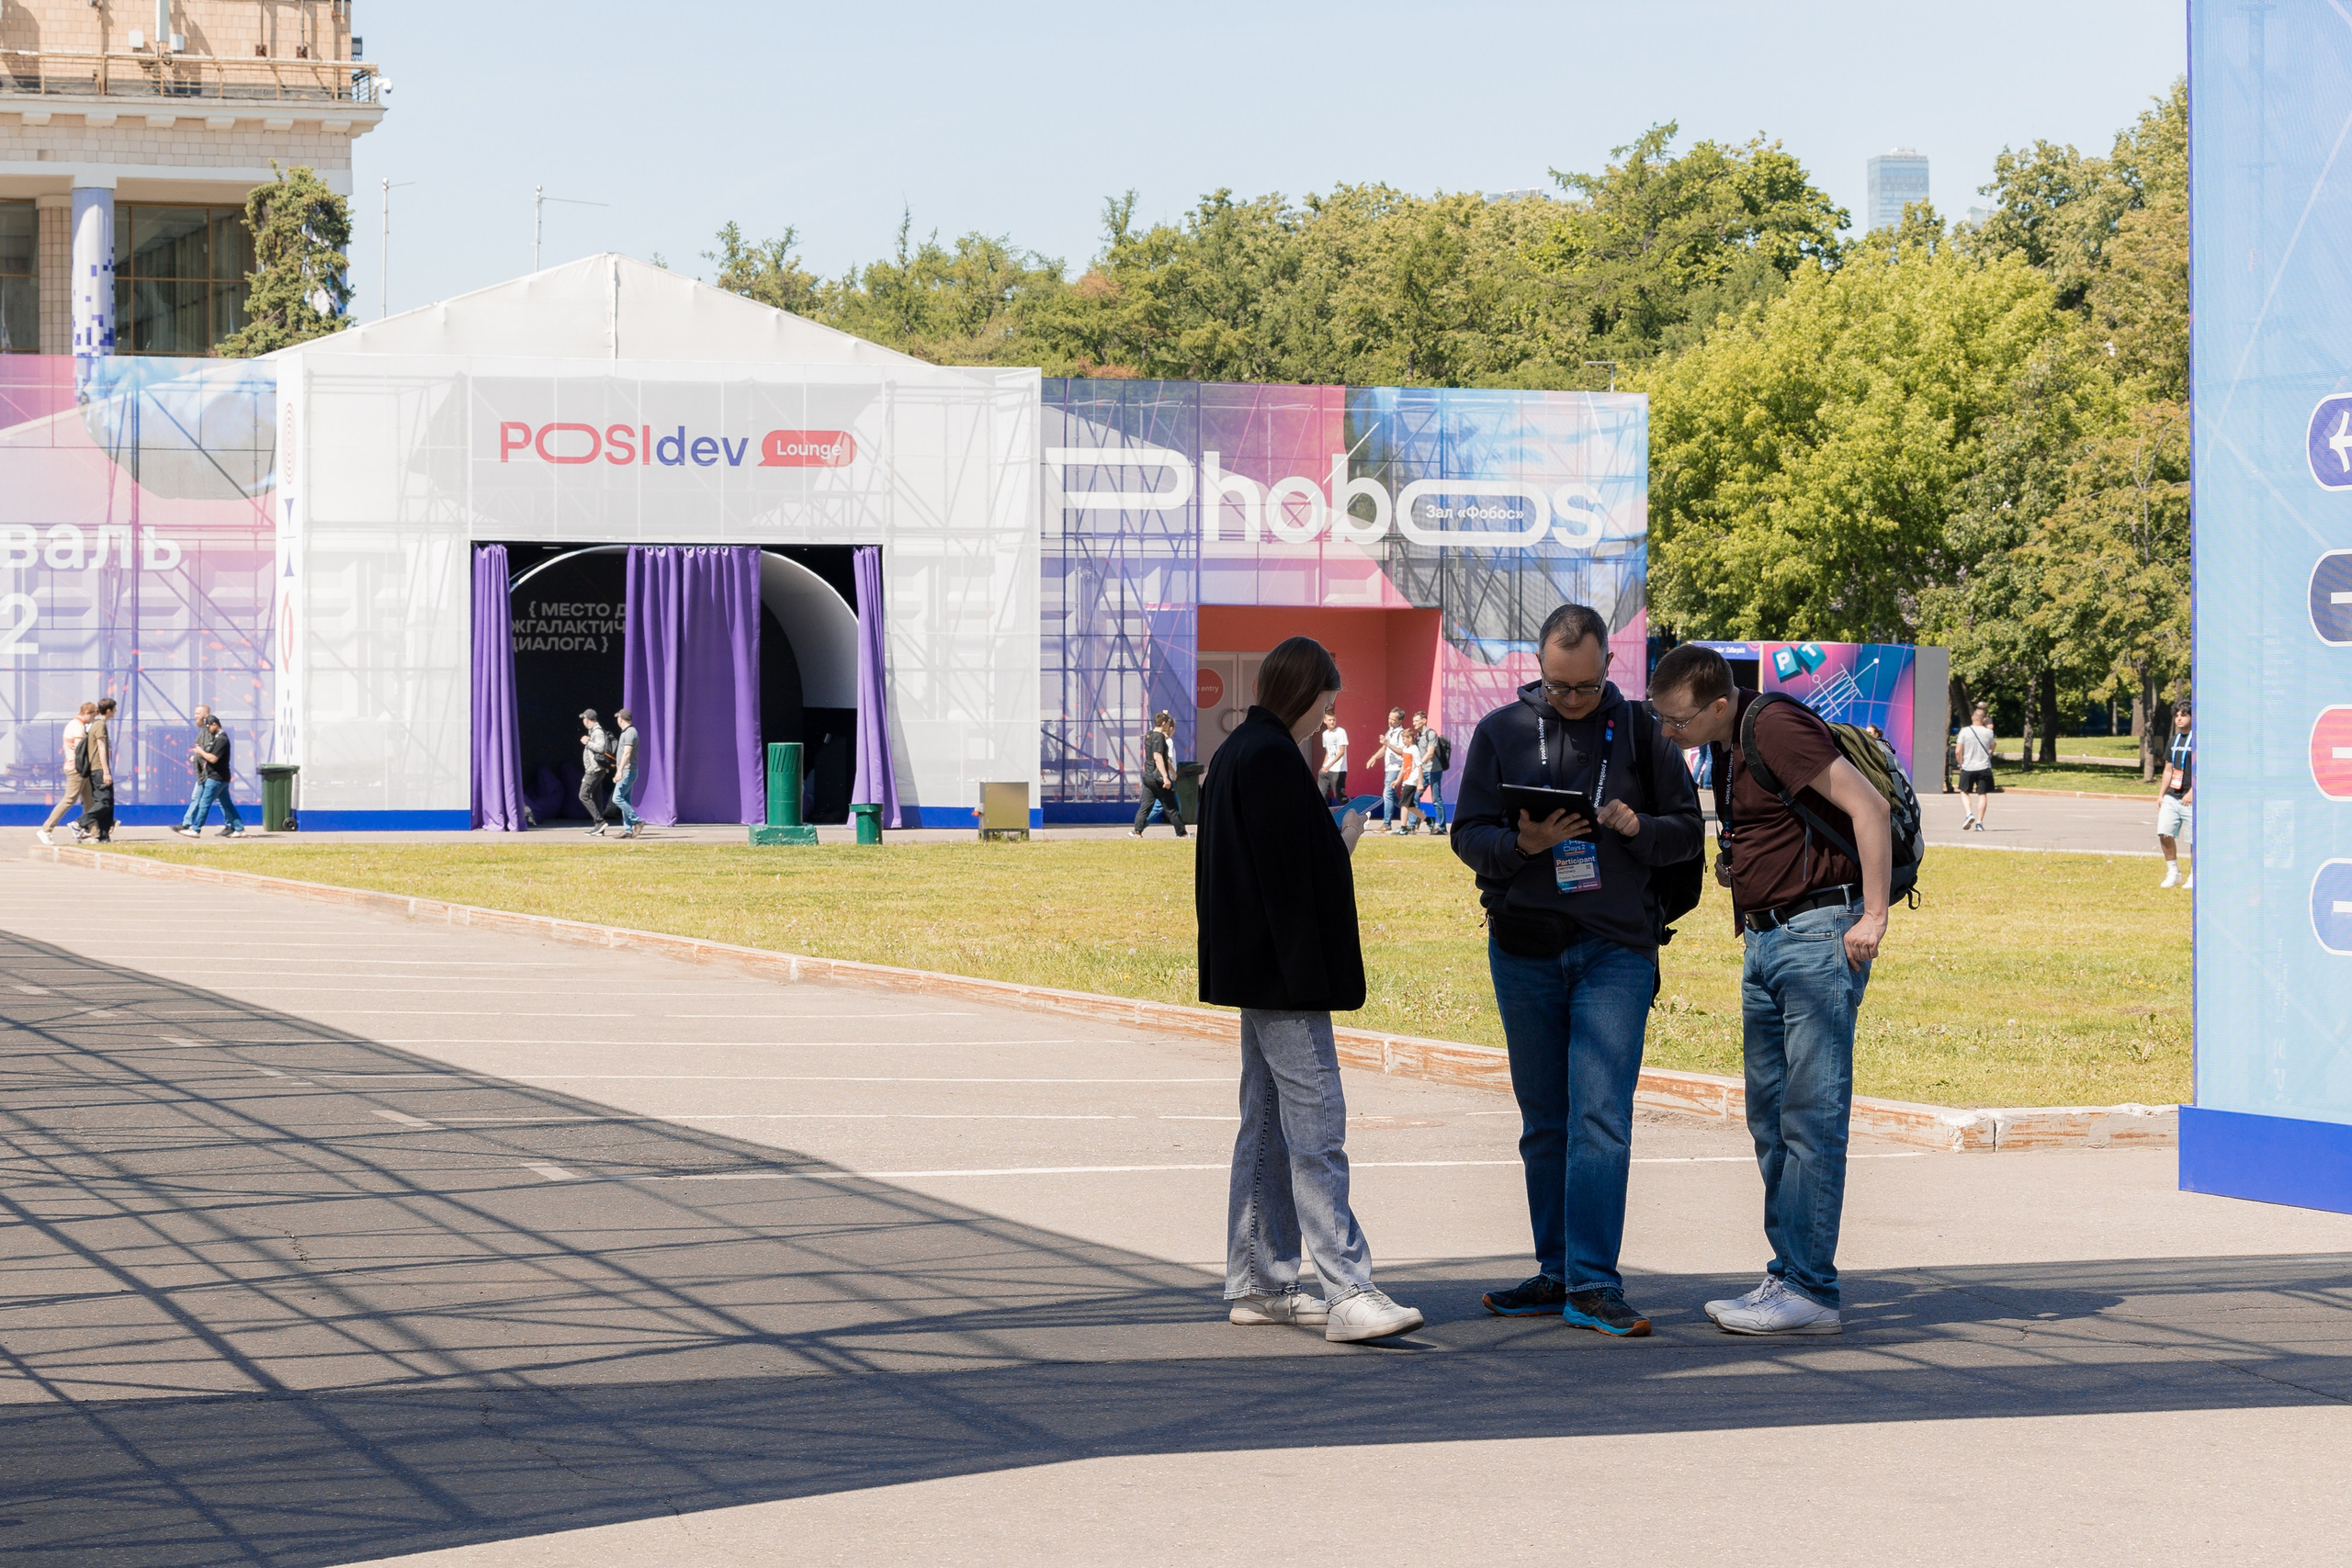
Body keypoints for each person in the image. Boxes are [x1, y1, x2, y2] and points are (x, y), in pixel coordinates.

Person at [1451, 604, 1703, 1337]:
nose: (1571, 699)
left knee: (1600, 1115)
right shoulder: (1501, 731)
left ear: (1607, 668)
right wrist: (1522, 845)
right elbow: (1468, 835)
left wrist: (1638, 827)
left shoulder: (1645, 731)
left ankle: (1593, 1281)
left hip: (1615, 949)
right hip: (1525, 947)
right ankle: (1556, 1268)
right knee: (1545, 1120)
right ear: (1539, 668)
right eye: (1558, 687)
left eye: (1586, 687)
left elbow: (1689, 833)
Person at [1647, 642, 1893, 1337]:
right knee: (1770, 1118)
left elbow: (1868, 808)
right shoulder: (1728, 743)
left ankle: (1811, 1289)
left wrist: (1873, 915)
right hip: (1767, 939)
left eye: (1677, 719)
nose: (1671, 732)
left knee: (1811, 1116)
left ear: (1717, 703)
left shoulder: (1772, 725)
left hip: (1819, 937)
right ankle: (1788, 1272)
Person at [1197, 636, 1423, 1345]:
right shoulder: (1271, 758)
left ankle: (1260, 1280)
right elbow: (1292, 877)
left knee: (1265, 1123)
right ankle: (1347, 1284)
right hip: (1285, 973)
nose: (1332, 708)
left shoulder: (1239, 749)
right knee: (1316, 1123)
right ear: (1307, 689)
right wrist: (1344, 841)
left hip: (1255, 968)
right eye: (1329, 693)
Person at [173, 708, 247, 838]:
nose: (208, 730)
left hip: (216, 778)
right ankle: (239, 829)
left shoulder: (222, 739)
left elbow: (213, 758)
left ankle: (195, 829)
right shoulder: (217, 738)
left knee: (204, 804)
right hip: (220, 777)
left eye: (209, 727)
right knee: (227, 804)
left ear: (215, 724)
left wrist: (201, 752)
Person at [36, 702, 96, 846]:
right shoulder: (79, 728)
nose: (93, 719)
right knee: (69, 799)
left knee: (90, 801)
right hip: (77, 768)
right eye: (93, 715)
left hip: (77, 767)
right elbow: (80, 751)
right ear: (87, 712)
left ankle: (95, 834)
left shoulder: (72, 724)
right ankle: (46, 829)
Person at [1130, 710, 1187, 838]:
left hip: (1148, 776)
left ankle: (1137, 832)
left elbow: (1150, 756)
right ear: (1163, 723)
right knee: (1172, 807)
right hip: (1158, 777)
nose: (1168, 726)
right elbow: (1158, 757)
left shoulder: (1149, 735)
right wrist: (1166, 777)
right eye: (1167, 722)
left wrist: (1165, 713)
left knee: (1145, 806)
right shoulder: (1160, 737)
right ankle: (1182, 833)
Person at [2158, 704, 2193, 889]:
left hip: (2191, 795)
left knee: (2194, 839)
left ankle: (2196, 874)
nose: (2179, 718)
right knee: (2164, 832)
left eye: (2184, 715)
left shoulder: (2200, 740)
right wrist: (2161, 794)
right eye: (2177, 715)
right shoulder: (2173, 740)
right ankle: (2173, 872)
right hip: (2172, 794)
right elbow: (2168, 769)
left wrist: (2193, 791)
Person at [79, 697, 117, 843]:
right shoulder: (100, 725)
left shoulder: (95, 724)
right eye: (114, 709)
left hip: (97, 769)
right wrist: (106, 772)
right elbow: (102, 749)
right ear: (108, 711)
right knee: (104, 802)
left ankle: (103, 835)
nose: (115, 712)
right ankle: (80, 823)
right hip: (99, 769)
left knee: (108, 803)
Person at [1954, 705, 1996, 831]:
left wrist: (1960, 763)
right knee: (1982, 794)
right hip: (1984, 767)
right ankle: (1979, 822)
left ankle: (1969, 813)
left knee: (1964, 791)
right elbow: (1993, 747)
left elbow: (1958, 751)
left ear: (1972, 718)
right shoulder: (1988, 732)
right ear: (1984, 720)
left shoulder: (1965, 731)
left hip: (1968, 767)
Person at [578, 708, 613, 835]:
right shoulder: (593, 731)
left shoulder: (597, 732)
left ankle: (600, 821)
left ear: (587, 719)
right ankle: (599, 827)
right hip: (596, 769)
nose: (583, 721)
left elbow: (600, 748)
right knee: (597, 798)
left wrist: (588, 742)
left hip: (595, 770)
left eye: (584, 718)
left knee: (583, 795)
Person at [610, 706, 642, 840]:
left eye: (618, 717)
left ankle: (637, 821)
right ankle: (628, 830)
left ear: (621, 719)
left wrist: (619, 771)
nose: (617, 719)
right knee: (625, 800)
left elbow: (627, 753)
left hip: (628, 771)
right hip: (628, 770)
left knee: (616, 798)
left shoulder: (630, 732)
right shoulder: (626, 732)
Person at [1414, 710, 1447, 834]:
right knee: (1414, 798)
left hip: (1434, 771)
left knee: (1436, 800)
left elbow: (1430, 752)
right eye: (1413, 721)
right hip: (1423, 771)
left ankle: (1442, 828)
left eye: (1416, 721)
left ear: (1424, 720)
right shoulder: (1418, 735)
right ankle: (1414, 824)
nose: (1414, 723)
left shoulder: (1431, 734)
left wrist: (1419, 764)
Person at [1376, 707, 1410, 830]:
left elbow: (1402, 752)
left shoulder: (1401, 734)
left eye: (1393, 719)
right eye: (1389, 718)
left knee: (1387, 794)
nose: (1390, 721)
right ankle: (1413, 814)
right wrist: (1374, 757)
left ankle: (1387, 823)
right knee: (1393, 797)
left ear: (1400, 721)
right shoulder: (1390, 731)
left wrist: (1387, 743)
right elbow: (1384, 749)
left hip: (1397, 767)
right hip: (1389, 768)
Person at [1317, 709, 1350, 806]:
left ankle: (1357, 811)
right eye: (1330, 720)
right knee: (1321, 794)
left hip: (1338, 769)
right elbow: (1328, 752)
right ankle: (1323, 817)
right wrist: (1324, 766)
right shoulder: (1325, 734)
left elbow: (1341, 752)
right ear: (1325, 720)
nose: (1332, 722)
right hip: (1327, 768)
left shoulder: (1341, 732)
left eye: (1333, 720)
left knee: (1340, 796)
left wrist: (1330, 765)